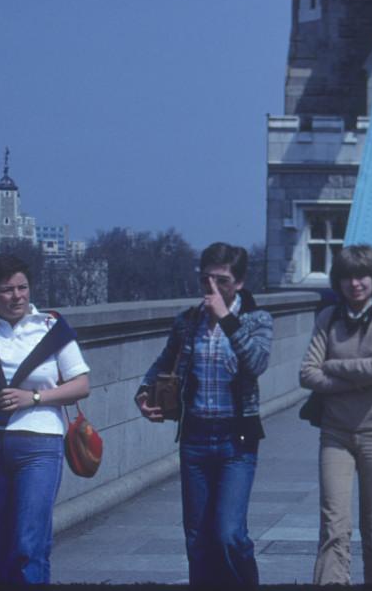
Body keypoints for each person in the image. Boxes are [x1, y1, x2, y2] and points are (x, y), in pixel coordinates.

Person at [135, 242, 273, 588]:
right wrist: (142, 392)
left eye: (222, 281)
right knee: (197, 539)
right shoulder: (188, 322)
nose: (212, 288)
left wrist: (226, 318)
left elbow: (256, 363)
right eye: (206, 279)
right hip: (195, 437)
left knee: (230, 534)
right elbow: (162, 363)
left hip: (236, 441)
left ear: (239, 283)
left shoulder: (256, 320)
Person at [0, 253, 92, 583]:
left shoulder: (51, 327)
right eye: (6, 290)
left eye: (22, 288)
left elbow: (81, 385)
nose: (17, 297)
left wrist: (35, 397)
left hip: (39, 444)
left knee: (29, 542)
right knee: (0, 544)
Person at [299, 243, 372, 585]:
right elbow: (306, 374)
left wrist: (332, 366)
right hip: (335, 434)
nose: (354, 283)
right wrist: (356, 380)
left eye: (362, 275)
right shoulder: (327, 318)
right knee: (333, 528)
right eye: (346, 276)